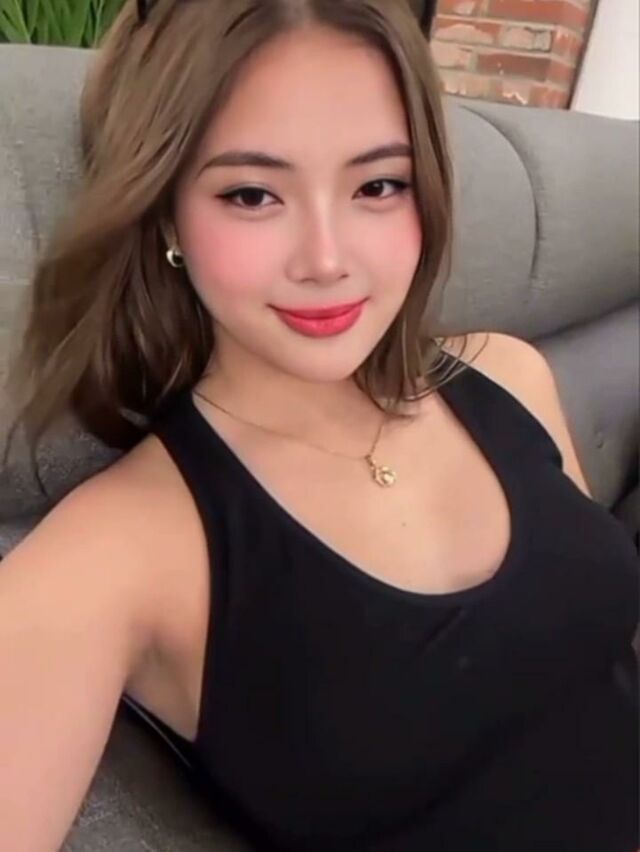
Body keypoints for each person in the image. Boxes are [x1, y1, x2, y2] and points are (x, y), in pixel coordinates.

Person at [1, 1, 638, 850]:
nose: (327, 259)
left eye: (378, 185)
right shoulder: (116, 554)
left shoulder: (507, 373)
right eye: (252, 194)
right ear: (165, 215)